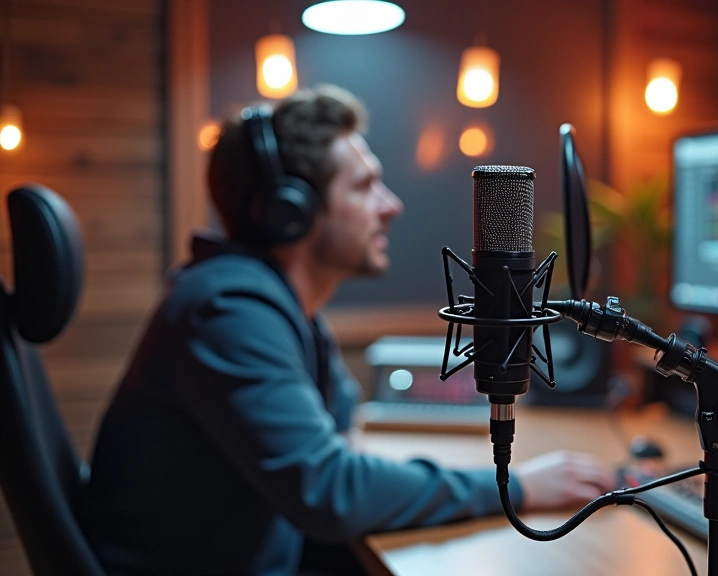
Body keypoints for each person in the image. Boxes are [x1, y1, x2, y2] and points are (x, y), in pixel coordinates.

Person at [79, 84, 616, 575]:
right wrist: (519, 487)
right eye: (364, 186)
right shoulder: (228, 311)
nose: (391, 206)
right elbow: (330, 489)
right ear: (290, 210)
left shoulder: (280, 304)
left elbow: (341, 434)